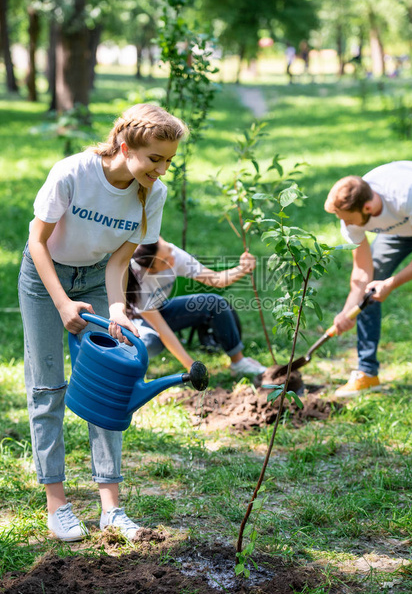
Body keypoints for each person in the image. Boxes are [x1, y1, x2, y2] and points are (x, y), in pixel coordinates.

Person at [18, 104, 187, 542]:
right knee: (47, 386)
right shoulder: (72, 173)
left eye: (169, 160)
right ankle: (58, 505)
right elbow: (37, 242)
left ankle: (111, 510)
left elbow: (119, 263)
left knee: (110, 387)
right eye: (156, 158)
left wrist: (116, 308)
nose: (163, 168)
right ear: (125, 146)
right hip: (45, 276)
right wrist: (62, 304)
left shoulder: (153, 194)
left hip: (96, 277)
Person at [324, 161, 412, 397]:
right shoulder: (351, 214)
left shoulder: (406, 193)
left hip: (408, 215)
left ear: (367, 208)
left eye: (348, 220)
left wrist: (392, 283)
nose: (346, 225)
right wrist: (347, 311)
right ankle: (367, 373)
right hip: (398, 231)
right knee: (368, 292)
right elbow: (363, 271)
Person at [126, 238, 267, 378]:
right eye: (164, 262)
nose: (172, 260)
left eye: (169, 250)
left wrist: (242, 268)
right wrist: (192, 367)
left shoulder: (172, 254)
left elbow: (216, 279)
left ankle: (239, 363)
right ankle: (125, 368)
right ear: (150, 268)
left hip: (161, 308)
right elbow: (162, 329)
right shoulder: (138, 280)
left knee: (215, 303)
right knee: (151, 344)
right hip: (136, 321)